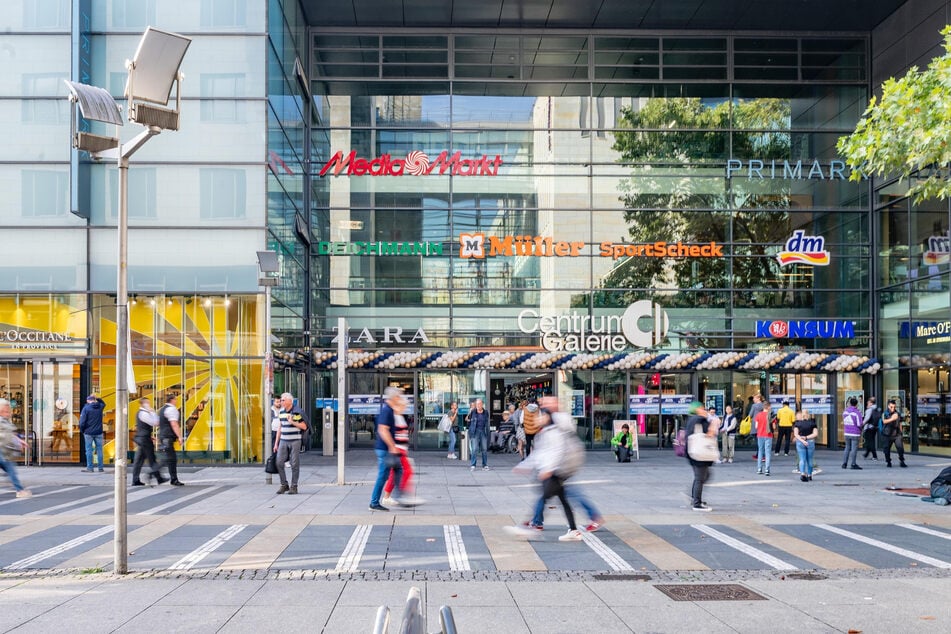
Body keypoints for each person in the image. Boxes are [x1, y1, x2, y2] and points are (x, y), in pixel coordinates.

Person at [506, 396, 583, 541]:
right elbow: (538, 453)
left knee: (543, 498)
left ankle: (532, 526)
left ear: (548, 417)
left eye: (541, 416)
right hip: (553, 470)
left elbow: (559, 451)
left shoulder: (554, 431)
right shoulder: (544, 432)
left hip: (556, 471)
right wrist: (524, 466)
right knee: (563, 499)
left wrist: (549, 470)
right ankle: (574, 530)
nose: (538, 419)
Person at [382, 391, 421, 507]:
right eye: (403, 406)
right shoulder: (394, 416)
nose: (405, 408)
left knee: (394, 475)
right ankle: (403, 495)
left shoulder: (399, 417)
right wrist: (395, 448)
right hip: (398, 450)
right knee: (407, 471)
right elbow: (392, 433)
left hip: (401, 449)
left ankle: (387, 497)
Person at [370, 386, 405, 511]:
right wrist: (392, 446)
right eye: (398, 396)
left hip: (386, 449)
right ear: (394, 397)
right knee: (383, 475)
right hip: (384, 449)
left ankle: (398, 495)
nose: (399, 398)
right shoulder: (386, 410)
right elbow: (383, 430)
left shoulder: (390, 410)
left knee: (396, 471)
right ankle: (374, 502)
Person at [684, 401, 717, 511]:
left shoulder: (691, 419)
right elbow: (709, 434)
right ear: (697, 409)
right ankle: (697, 503)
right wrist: (713, 424)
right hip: (700, 453)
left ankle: (694, 497)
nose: (705, 411)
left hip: (692, 452)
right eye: (703, 409)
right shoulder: (700, 420)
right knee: (700, 478)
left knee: (704, 475)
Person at [274, 392, 308, 494]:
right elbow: (280, 428)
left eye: (283, 400)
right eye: (281, 400)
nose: (281, 402)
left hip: (295, 441)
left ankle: (294, 486)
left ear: (289, 401)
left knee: (294, 464)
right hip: (283, 440)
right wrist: (276, 443)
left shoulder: (297, 412)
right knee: (279, 462)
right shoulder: (281, 412)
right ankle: (284, 484)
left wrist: (292, 421)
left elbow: (304, 426)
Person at [131, 397, 166, 486]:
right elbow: (156, 422)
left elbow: (144, 427)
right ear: (143, 404)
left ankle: (136, 480)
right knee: (152, 460)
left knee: (139, 461)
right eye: (148, 403)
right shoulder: (143, 414)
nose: (149, 405)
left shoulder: (142, 413)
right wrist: (152, 412)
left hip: (144, 439)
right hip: (145, 440)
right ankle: (158, 478)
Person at [0, 399, 31, 498]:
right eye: (6, 410)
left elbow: (10, 434)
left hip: (4, 451)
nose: (8, 412)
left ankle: (19, 489)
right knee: (11, 469)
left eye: (8, 410)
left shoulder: (5, 421)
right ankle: (20, 490)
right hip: (3, 451)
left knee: (10, 470)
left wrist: (19, 441)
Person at [156, 393, 186, 486]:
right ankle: (155, 472)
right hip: (168, 437)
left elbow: (158, 423)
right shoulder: (171, 409)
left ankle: (173, 478)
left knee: (170, 458)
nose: (176, 401)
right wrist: (180, 437)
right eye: (176, 399)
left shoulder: (162, 409)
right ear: (172, 400)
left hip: (164, 436)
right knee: (171, 459)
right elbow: (174, 424)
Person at [78, 394, 106, 473]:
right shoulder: (100, 407)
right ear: (94, 400)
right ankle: (100, 468)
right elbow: (103, 403)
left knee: (89, 450)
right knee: (99, 450)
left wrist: (82, 430)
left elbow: (82, 422)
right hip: (99, 432)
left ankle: (90, 468)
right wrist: (98, 398)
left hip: (88, 432)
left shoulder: (86, 408)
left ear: (88, 400)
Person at [794, 409, 819, 482]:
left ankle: (802, 474)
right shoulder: (812, 423)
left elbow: (796, 434)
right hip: (810, 442)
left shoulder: (798, 423)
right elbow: (815, 434)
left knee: (802, 459)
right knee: (810, 459)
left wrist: (802, 440)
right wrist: (807, 438)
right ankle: (809, 475)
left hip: (800, 442)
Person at [881, 400, 907, 468]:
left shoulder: (897, 413)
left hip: (897, 434)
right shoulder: (885, 413)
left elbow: (900, 423)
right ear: (888, 406)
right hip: (887, 434)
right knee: (886, 449)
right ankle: (888, 462)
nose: (893, 408)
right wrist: (892, 419)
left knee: (900, 448)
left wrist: (901, 433)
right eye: (891, 407)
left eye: (894, 407)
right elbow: (884, 421)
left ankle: (902, 461)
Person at [467, 398, 490, 471]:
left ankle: (485, 465)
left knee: (484, 449)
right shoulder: (473, 412)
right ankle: (473, 465)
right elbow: (468, 420)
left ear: (482, 404)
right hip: (475, 431)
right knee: (474, 449)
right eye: (477, 404)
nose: (478, 405)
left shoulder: (486, 412)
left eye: (479, 404)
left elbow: (487, 422)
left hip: (483, 431)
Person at [841, 397, 863, 470]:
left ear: (850, 403)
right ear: (856, 404)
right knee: (854, 449)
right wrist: (861, 430)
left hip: (847, 432)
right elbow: (859, 424)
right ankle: (853, 464)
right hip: (855, 433)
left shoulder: (845, 411)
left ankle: (844, 463)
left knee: (847, 448)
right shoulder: (857, 412)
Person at [755, 401, 773, 476]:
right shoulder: (770, 415)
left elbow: (756, 426)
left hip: (760, 435)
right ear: (768, 407)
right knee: (767, 452)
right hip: (768, 435)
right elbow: (774, 427)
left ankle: (759, 468)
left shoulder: (758, 415)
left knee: (760, 451)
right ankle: (767, 469)